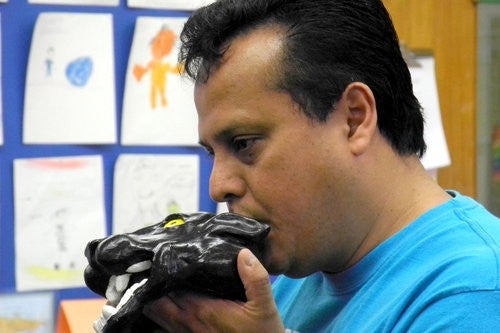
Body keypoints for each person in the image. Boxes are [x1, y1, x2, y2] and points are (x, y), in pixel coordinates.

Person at [143, 0, 500, 331]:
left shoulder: (475, 289)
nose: (218, 186)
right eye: (212, 153)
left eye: (244, 144)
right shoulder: (294, 272)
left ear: (354, 119)